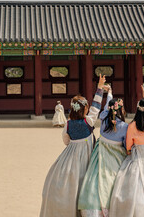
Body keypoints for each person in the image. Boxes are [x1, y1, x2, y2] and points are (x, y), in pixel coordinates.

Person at [40, 75, 106, 217]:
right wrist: (99, 88)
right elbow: (96, 107)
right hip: (86, 156)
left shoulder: (68, 124)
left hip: (69, 156)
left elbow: (66, 141)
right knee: (84, 182)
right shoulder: (88, 121)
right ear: (84, 109)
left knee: (71, 184)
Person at [109, 85, 144, 217]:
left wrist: (129, 151)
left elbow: (129, 144)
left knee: (134, 180)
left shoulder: (132, 126)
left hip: (139, 153)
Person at [78, 85, 128, 217]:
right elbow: (126, 144)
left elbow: (106, 106)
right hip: (116, 154)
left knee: (95, 177)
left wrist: (109, 93)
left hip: (100, 152)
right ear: (121, 111)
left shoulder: (104, 116)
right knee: (114, 178)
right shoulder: (124, 127)